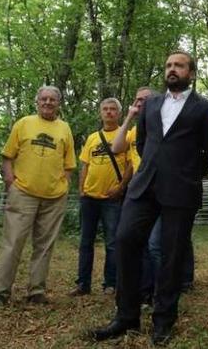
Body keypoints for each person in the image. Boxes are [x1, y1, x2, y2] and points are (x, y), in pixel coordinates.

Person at [90, 50, 208, 346]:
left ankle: (163, 320)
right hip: (143, 186)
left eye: (179, 66)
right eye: (169, 65)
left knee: (171, 256)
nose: (172, 69)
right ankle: (126, 316)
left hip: (180, 190)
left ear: (191, 73)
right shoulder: (151, 104)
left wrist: (186, 175)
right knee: (124, 240)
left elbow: (207, 152)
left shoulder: (206, 108)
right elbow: (145, 142)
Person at [0, 86, 75, 306]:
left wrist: (64, 184)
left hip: (54, 197)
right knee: (13, 243)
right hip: (23, 193)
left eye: (52, 99)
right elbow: (7, 157)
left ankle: (36, 291)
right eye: (44, 99)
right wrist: (11, 182)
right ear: (37, 101)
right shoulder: (23, 123)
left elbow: (69, 163)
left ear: (58, 103)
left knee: (45, 245)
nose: (48, 102)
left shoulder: (64, 128)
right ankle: (0, 292)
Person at [110, 87, 194, 306]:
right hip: (141, 192)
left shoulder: (165, 126)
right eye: (137, 100)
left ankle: (164, 292)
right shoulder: (136, 128)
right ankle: (144, 291)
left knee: (158, 245)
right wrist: (129, 116)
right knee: (134, 242)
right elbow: (116, 147)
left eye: (145, 100)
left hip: (166, 190)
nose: (141, 103)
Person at [71, 98, 133, 296]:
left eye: (113, 109)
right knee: (85, 242)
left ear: (119, 113)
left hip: (112, 199)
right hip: (89, 197)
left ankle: (110, 284)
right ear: (100, 113)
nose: (108, 112)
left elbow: (131, 165)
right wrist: (81, 190)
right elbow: (85, 165)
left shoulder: (126, 135)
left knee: (112, 243)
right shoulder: (92, 138)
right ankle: (83, 284)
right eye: (105, 109)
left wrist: (121, 187)